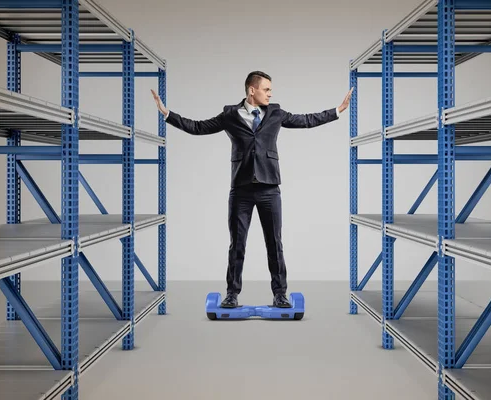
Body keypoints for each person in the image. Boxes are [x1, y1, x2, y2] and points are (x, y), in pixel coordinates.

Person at [151, 71, 353, 308]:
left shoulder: (276, 113)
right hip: (241, 189)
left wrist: (337, 110)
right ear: (251, 90)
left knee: (274, 243)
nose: (270, 93)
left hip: (269, 188)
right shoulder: (229, 114)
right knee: (237, 244)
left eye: (270, 90)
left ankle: (280, 294)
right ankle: (232, 294)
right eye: (266, 89)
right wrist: (167, 114)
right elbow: (198, 127)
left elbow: (305, 120)